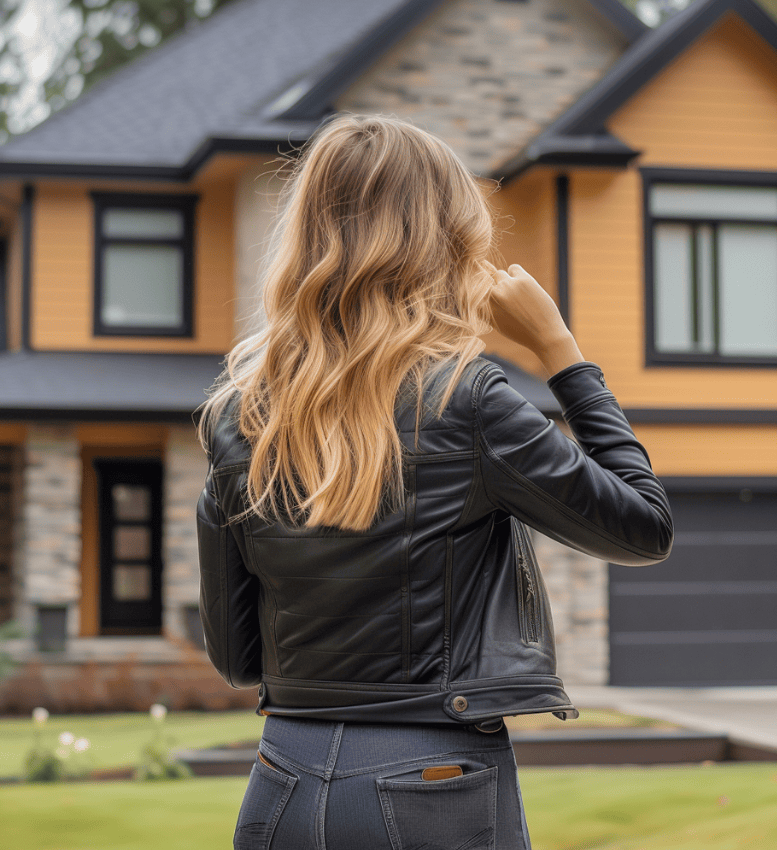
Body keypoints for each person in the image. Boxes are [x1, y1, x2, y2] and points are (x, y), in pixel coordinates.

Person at [197, 113, 672, 850]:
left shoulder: (238, 416)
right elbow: (643, 526)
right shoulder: (467, 399)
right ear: (444, 245)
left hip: (282, 775)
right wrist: (560, 352)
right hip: (429, 780)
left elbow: (235, 655)